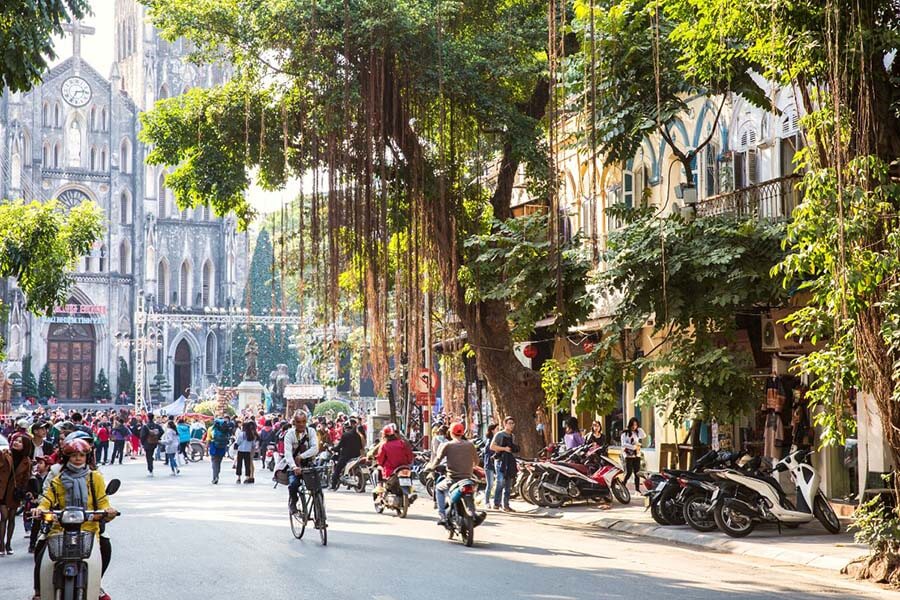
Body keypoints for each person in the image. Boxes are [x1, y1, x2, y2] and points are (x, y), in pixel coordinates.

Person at [31, 438, 117, 600]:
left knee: (106, 547)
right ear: (66, 458)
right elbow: (47, 500)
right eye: (73, 455)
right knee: (40, 548)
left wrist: (108, 510)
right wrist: (40, 509)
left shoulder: (95, 478)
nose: (78, 458)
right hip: (59, 529)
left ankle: (96, 584)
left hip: (89, 529)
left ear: (87, 457)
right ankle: (39, 591)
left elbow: (103, 501)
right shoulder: (58, 479)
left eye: (82, 455)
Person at [428, 422, 478, 526]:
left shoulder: (447, 445)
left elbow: (437, 459)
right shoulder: (470, 445)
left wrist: (431, 467)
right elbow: (476, 462)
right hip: (467, 479)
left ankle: (442, 515)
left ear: (451, 433)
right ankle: (473, 512)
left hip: (452, 479)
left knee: (438, 488)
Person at [1, 433, 33, 554]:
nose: (16, 443)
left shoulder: (27, 462)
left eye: (20, 442)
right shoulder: (5, 455)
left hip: (14, 492)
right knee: (3, 517)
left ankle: (8, 543)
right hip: (2, 490)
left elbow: (26, 478)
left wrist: (23, 492)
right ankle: (1, 545)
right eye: (15, 440)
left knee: (11, 518)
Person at [282, 411, 319, 513]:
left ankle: (319, 514)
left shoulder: (311, 431)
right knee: (293, 484)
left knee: (317, 488)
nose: (301, 424)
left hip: (309, 464)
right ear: (294, 422)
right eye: (299, 422)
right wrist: (294, 467)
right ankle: (293, 502)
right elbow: (288, 453)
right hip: (294, 466)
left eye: (304, 421)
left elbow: (315, 448)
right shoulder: (290, 434)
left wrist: (302, 456)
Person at [374, 424, 414, 494]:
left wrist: (379, 464)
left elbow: (380, 460)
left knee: (378, 470)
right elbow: (410, 457)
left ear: (384, 435)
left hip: (390, 472)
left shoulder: (384, 445)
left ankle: (379, 490)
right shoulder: (403, 443)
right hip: (404, 469)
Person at [490, 417, 519, 512]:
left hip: (509, 461)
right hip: (500, 461)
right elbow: (492, 447)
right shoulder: (499, 434)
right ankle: (496, 503)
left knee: (508, 483)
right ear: (505, 424)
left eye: (513, 423)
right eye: (510, 423)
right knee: (500, 481)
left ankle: (506, 505)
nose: (512, 425)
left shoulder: (512, 436)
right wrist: (504, 449)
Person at [330, 421, 364, 490]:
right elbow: (360, 447)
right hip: (356, 456)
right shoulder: (358, 435)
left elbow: (339, 447)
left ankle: (333, 485)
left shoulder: (345, 435)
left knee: (337, 470)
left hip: (346, 457)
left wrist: (333, 449)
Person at [621, 417, 646, 491]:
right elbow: (623, 444)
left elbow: (644, 435)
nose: (634, 426)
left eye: (635, 425)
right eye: (633, 425)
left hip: (636, 454)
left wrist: (639, 428)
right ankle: (623, 484)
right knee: (629, 472)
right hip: (628, 455)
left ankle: (637, 489)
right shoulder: (625, 433)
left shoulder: (637, 432)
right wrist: (632, 447)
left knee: (637, 473)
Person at [208, 416, 233, 484]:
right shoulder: (225, 429)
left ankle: (215, 477)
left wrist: (207, 448)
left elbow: (208, 439)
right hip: (222, 447)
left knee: (214, 462)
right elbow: (228, 437)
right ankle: (217, 475)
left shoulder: (211, 429)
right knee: (219, 462)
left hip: (213, 447)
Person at [482, 423, 498, 505]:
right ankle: (487, 502)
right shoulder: (490, 441)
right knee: (490, 484)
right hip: (489, 465)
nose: (498, 430)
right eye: (496, 429)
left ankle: (496, 501)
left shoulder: (495, 439)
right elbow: (489, 452)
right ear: (492, 430)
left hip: (495, 464)